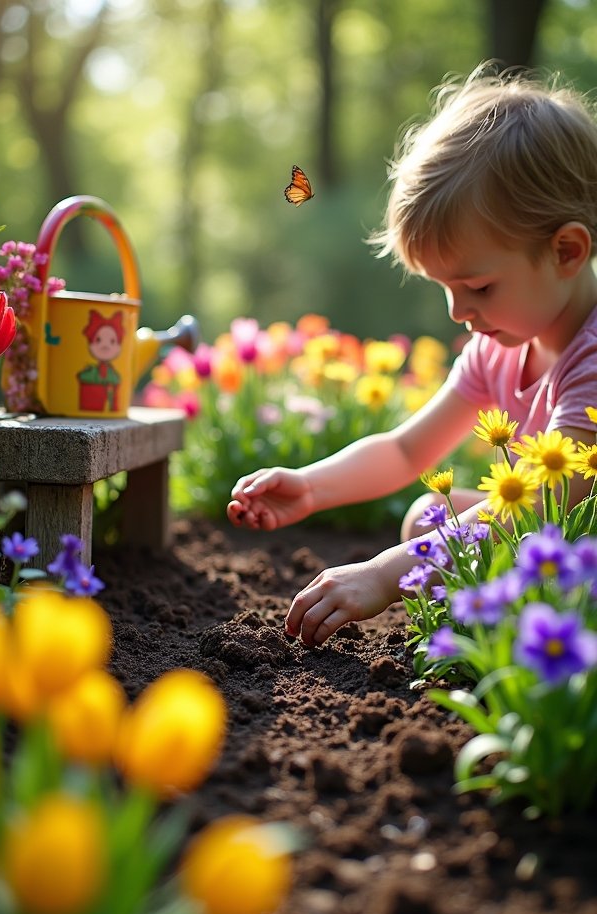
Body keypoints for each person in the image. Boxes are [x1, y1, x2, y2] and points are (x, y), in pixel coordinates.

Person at [227, 64, 597, 648]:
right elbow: (405, 449)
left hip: (581, 563)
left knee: (425, 547)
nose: (457, 312)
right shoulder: (497, 350)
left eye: (477, 287)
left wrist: (382, 573)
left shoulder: (592, 360)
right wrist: (311, 486)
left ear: (567, 251)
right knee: (426, 519)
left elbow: (546, 499)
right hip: (551, 549)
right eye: (442, 288)